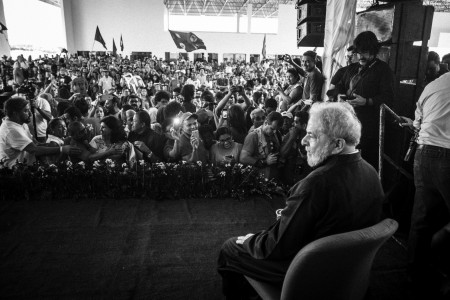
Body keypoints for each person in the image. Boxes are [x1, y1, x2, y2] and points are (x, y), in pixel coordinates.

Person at [218, 102, 384, 299]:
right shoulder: (372, 173)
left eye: (312, 135)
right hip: (347, 271)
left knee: (229, 249)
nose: (304, 140)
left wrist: (249, 241)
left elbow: (275, 247)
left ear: (338, 144)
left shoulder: (315, 184)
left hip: (308, 270)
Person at [400, 72, 450, 299]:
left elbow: (418, 124)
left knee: (421, 221)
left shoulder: (434, 84)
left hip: (425, 153)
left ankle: (414, 278)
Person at [336, 30, 395, 170]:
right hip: (349, 123)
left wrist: (367, 101)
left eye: (365, 52)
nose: (361, 56)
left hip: (369, 127)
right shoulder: (352, 68)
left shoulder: (383, 70)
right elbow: (339, 85)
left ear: (374, 51)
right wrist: (340, 96)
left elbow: (389, 98)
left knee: (366, 164)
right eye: (358, 52)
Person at [0, 97, 79, 168]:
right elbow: (34, 150)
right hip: (13, 171)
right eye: (26, 111)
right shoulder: (11, 129)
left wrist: (60, 144)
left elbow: (36, 144)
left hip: (25, 167)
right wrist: (62, 149)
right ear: (15, 113)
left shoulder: (21, 123)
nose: (30, 114)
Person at [240, 111, 283, 180]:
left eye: (276, 130)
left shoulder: (277, 133)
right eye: (272, 129)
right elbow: (243, 158)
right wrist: (265, 162)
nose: (274, 132)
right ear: (266, 122)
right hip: (258, 180)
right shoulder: (253, 136)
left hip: (273, 178)